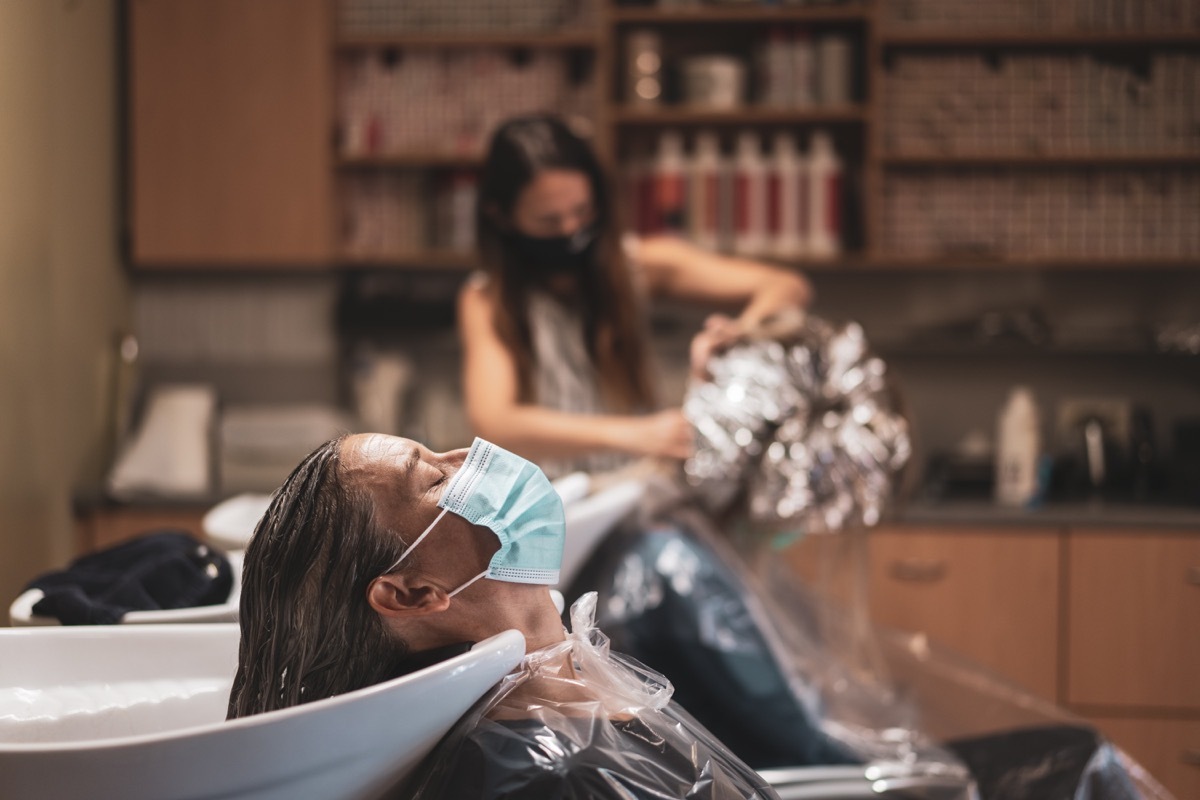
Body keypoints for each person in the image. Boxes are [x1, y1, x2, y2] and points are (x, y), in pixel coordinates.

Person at [226, 433, 779, 799]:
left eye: (439, 454)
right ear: (413, 594)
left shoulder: (556, 707)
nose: (469, 457)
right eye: (436, 480)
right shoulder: (546, 774)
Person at [459, 114, 813, 478]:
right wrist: (636, 434)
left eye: (582, 212)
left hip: (640, 489)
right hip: (552, 503)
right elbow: (496, 421)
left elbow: (785, 286)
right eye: (549, 221)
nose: (571, 230)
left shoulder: (638, 264)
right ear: (500, 216)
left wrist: (740, 332)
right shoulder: (486, 299)